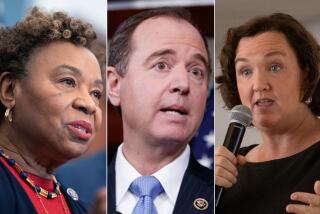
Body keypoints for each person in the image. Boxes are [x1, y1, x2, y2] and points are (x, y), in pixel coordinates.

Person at [107, 7, 214, 214]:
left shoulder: (225, 199)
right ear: (114, 85)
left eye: (196, 71)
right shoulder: (79, 193)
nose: (183, 84)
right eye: (162, 65)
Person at [0, 7, 104, 213]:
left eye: (96, 93)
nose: (89, 105)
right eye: (68, 81)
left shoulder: (79, 206)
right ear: (10, 90)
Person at [215, 13, 320, 213]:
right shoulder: (228, 170)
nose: (259, 85)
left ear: (305, 75)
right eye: (245, 71)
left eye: (274, 67)